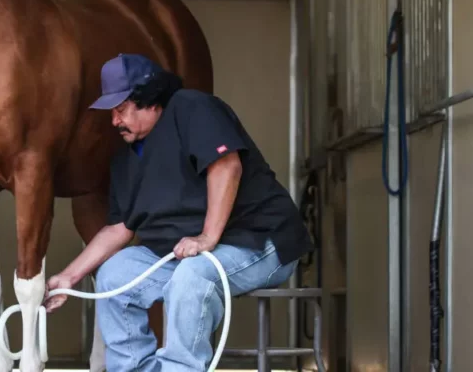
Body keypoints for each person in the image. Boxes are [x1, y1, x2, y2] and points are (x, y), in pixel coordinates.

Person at [44, 53, 313, 372]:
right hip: (183, 254)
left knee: (194, 274)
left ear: (149, 99)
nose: (114, 121)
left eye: (120, 109)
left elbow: (226, 166)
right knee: (113, 274)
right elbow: (119, 229)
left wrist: (207, 237)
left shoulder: (191, 108)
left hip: (259, 242)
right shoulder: (125, 160)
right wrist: (67, 279)